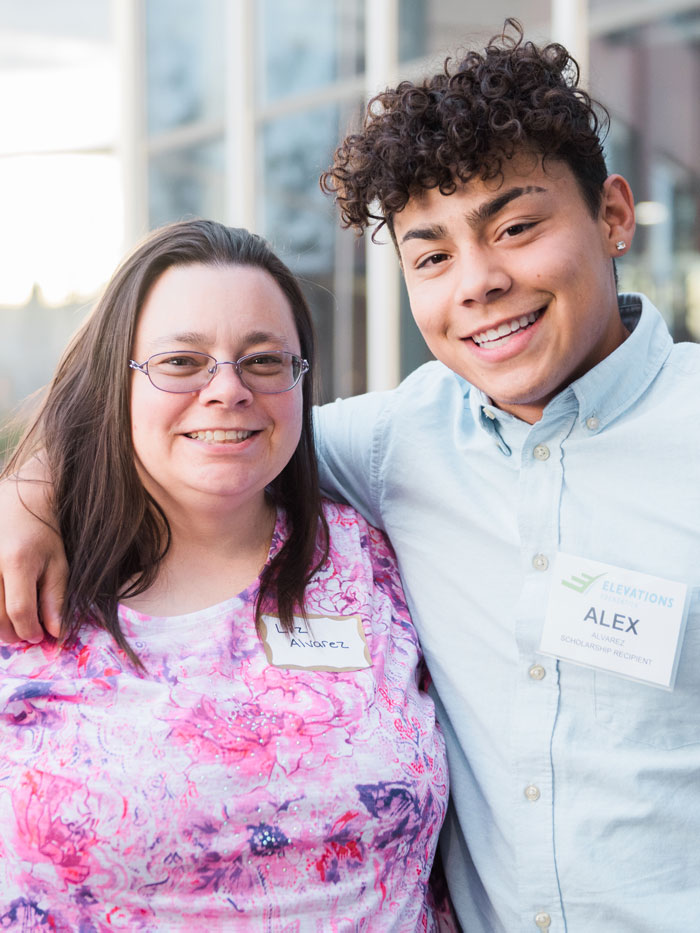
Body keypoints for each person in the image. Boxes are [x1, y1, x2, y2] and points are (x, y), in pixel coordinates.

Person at [2, 18, 699, 933]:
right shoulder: (397, 442)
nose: (478, 282)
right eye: (433, 256)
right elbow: (202, 429)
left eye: (517, 227)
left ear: (613, 215)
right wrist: (29, 491)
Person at [0, 220, 450, 930]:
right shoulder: (23, 581)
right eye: (181, 361)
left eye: (264, 360)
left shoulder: (376, 552)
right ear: (117, 378)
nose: (228, 389)